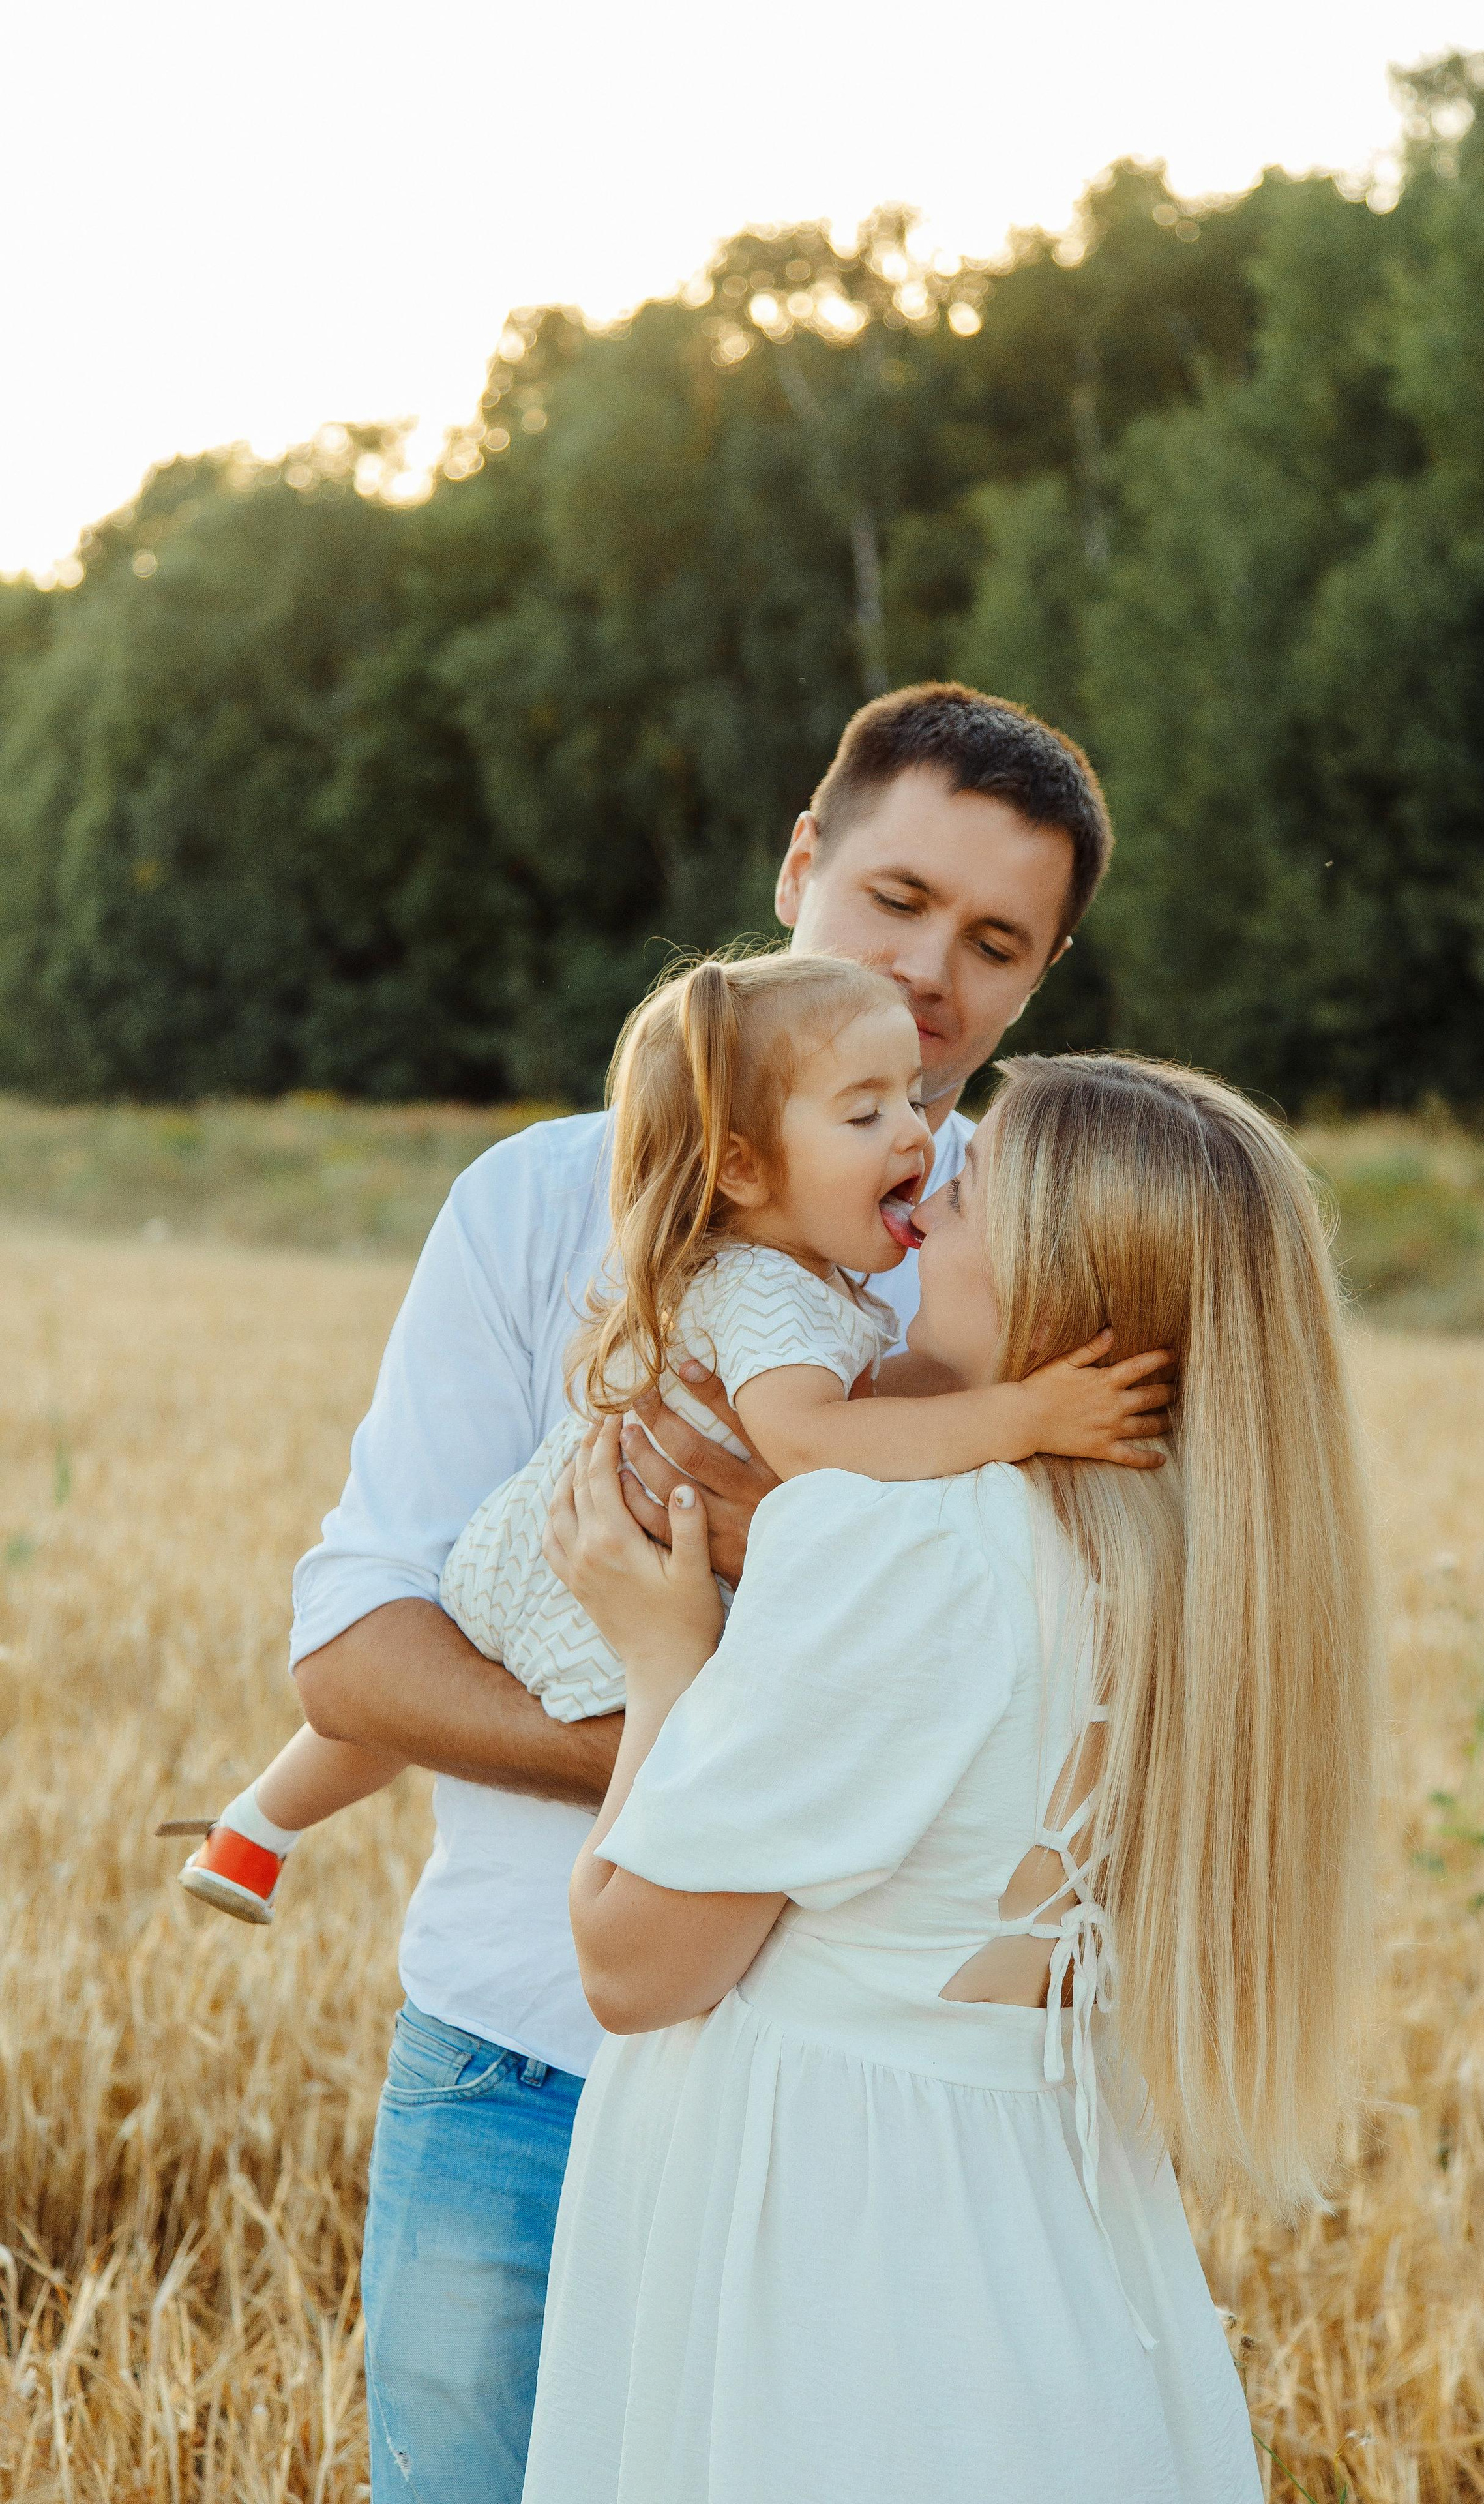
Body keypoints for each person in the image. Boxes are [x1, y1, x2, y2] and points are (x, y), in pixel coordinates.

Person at [276, 684, 1165, 2504]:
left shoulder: (1027, 1250)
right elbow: (359, 1653)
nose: (931, 974)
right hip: (524, 2058)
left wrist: (759, 1729)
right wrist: (697, 1744)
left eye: (996, 943)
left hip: (853, 2125)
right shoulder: (539, 1202)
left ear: (1041, 980)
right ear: (798, 864)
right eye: (899, 899)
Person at [522, 1051, 1380, 2504]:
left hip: (838, 2270)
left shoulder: (903, 1549)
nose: (925, 1190)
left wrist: (664, 1657)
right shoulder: (1199, 1592)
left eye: (969, 1188)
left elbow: (632, 1966)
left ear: (1060, 1278)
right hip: (1059, 2235)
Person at [178, 951, 1164, 1921]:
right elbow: (816, 1443)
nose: (915, 1137)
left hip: (576, 1545)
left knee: (404, 1719)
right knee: (619, 1750)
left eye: (914, 1099)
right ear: (741, 1164)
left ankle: (255, 1829)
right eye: (865, 1115)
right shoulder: (767, 1290)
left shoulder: (810, 1281)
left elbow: (867, 1411)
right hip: (576, 1565)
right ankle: (269, 1829)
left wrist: (986, 1388)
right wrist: (1023, 1415)